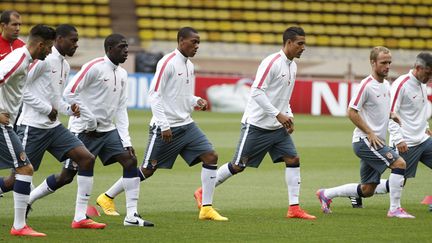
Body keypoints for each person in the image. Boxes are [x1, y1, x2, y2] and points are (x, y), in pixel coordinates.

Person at [96, 27, 228, 221]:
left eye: (198, 42)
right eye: (194, 42)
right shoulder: (167, 63)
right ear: (181, 41)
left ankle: (206, 208)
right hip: (165, 127)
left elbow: (183, 95)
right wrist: (164, 124)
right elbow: (155, 95)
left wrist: (196, 101)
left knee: (211, 156)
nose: (197, 46)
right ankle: (107, 197)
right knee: (147, 170)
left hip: (186, 124)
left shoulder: (189, 66)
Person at [194, 26, 315, 220]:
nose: (303, 47)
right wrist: (278, 115)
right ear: (289, 43)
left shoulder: (293, 65)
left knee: (293, 160)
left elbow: (283, 97)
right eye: (300, 44)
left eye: (304, 44)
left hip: (277, 127)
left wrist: (288, 116)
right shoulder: (272, 63)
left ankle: (294, 208)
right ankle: (203, 191)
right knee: (238, 165)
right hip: (257, 125)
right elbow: (256, 91)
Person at [15, 24, 105, 229]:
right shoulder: (44, 60)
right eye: (73, 40)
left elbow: (55, 99)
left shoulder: (63, 64)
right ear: (59, 40)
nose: (76, 44)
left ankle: (80, 218)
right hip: (33, 126)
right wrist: (46, 109)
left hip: (53, 127)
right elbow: (22, 89)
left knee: (86, 159)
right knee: (17, 177)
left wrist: (69, 109)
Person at [63, 33, 153, 227]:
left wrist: (126, 141)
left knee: (130, 161)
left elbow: (121, 109)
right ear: (110, 49)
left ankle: (131, 216)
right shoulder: (94, 67)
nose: (126, 50)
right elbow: (69, 93)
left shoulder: (122, 74)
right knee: (65, 177)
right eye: (122, 47)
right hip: (84, 130)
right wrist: (89, 120)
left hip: (107, 130)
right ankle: (31, 200)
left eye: (127, 46)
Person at [316, 46, 415, 218]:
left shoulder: (386, 85)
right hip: (365, 141)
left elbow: (377, 110)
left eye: (389, 62)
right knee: (399, 164)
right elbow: (351, 111)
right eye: (383, 62)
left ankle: (326, 194)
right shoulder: (366, 85)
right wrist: (369, 132)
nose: (387, 66)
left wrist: (391, 115)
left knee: (368, 190)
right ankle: (395, 209)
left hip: (377, 141)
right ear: (373, 63)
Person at [348, 52, 432, 210]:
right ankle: (363, 195)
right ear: (419, 68)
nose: (430, 77)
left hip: (422, 139)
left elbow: (419, 110)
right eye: (428, 73)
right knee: (393, 181)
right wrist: (398, 139)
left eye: (389, 63)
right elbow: (389, 112)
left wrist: (426, 128)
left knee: (394, 177)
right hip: (405, 142)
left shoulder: (421, 82)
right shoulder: (399, 84)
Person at [0, 24, 55, 237]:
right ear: (40, 44)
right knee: (25, 169)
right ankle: (19, 226)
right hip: (2, 123)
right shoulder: (19, 60)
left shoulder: (24, 59)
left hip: (8, 123)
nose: (50, 52)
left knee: (22, 169)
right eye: (49, 47)